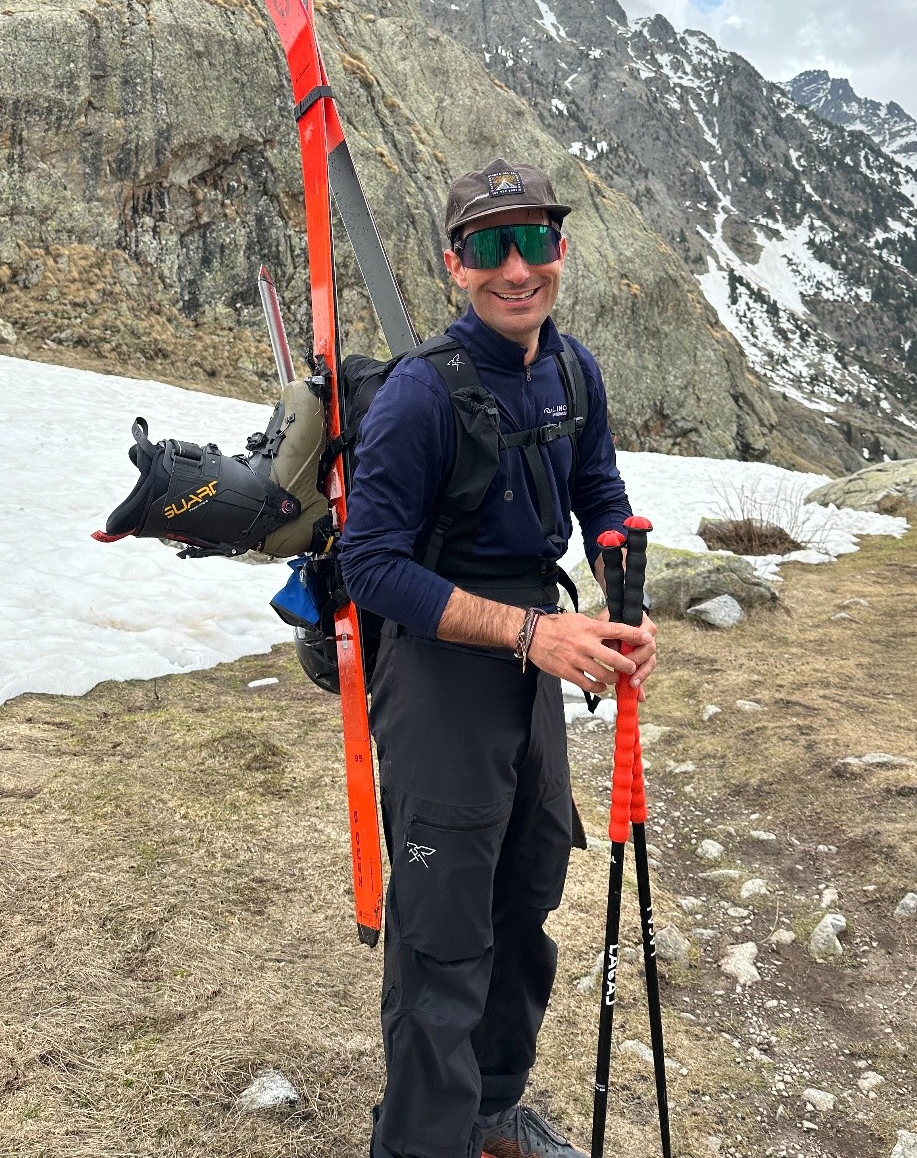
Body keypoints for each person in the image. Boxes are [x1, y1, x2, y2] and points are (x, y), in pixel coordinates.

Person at [340, 159, 657, 1158]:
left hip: (536, 665)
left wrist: (622, 601)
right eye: (490, 245)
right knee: (443, 933)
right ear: (455, 264)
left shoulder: (573, 372)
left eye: (535, 240)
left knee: (525, 897)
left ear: (560, 249)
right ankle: (421, 1142)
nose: (517, 267)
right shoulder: (418, 396)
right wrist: (531, 634)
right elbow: (371, 566)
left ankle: (489, 1114)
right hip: (441, 669)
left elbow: (600, 497)